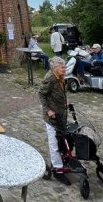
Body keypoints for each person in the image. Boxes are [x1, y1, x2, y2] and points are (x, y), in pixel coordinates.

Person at [38, 56, 71, 186]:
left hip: (61, 114)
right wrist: (48, 110)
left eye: (64, 66)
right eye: (62, 67)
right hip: (52, 117)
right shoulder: (50, 79)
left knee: (62, 140)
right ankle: (58, 170)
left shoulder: (60, 77)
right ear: (55, 68)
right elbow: (41, 94)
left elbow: (61, 93)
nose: (64, 68)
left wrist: (65, 103)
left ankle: (60, 162)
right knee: (54, 143)